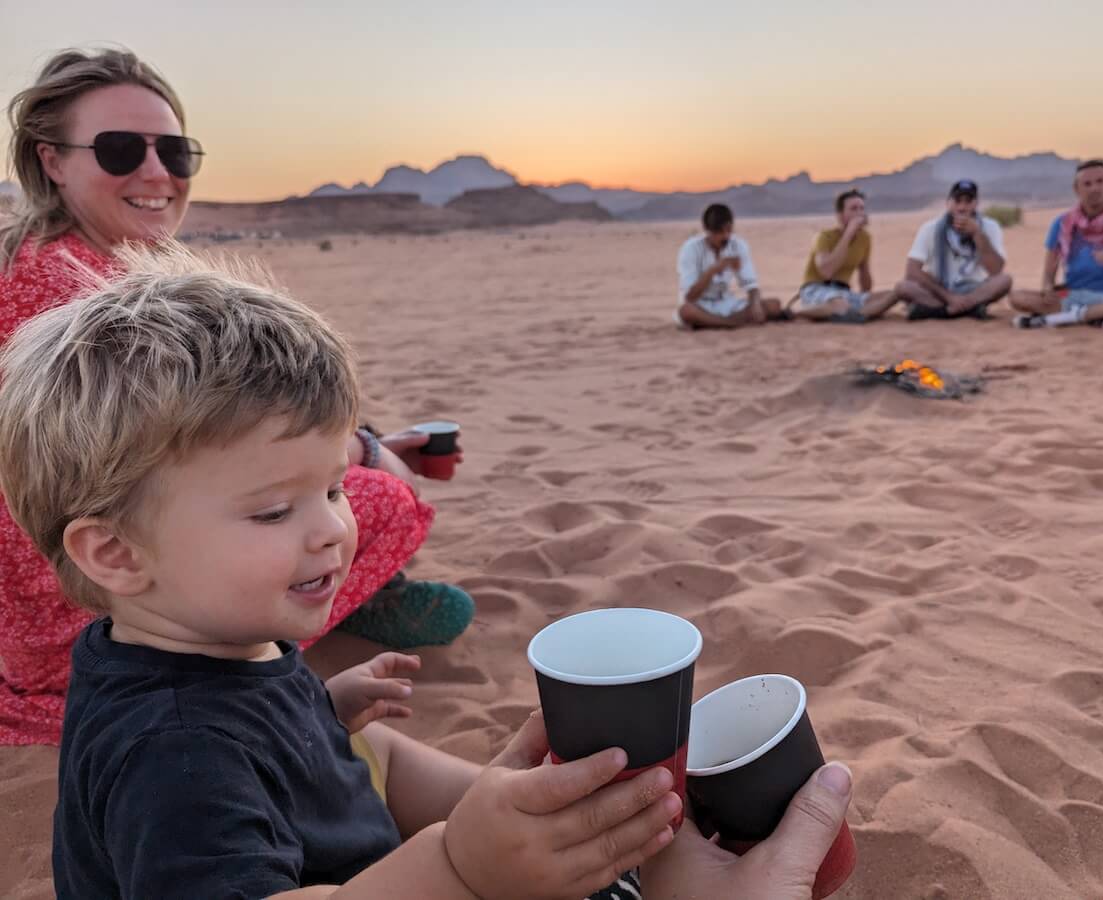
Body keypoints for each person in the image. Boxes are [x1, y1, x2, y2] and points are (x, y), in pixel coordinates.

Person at [0, 243, 853, 898]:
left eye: (334, 485)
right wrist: (460, 865)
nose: (334, 528)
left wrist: (497, 802)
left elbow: (389, 769)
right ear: (114, 553)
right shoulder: (171, 752)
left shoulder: (222, 643)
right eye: (272, 510)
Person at [0, 47, 469, 746]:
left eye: (176, 153)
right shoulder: (92, 303)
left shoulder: (36, 263)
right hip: (87, 600)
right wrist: (367, 455)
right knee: (381, 498)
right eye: (121, 149)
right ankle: (345, 605)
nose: (157, 173)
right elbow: (220, 452)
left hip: (49, 587)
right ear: (52, 161)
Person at [1010, 159, 1103, 328]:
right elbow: (1048, 274)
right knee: (1017, 297)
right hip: (1070, 292)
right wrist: (1048, 289)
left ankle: (1066, 318)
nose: (1094, 188)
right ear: (1077, 189)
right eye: (1087, 184)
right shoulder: (1062, 223)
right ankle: (1096, 316)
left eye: (1100, 182)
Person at [895, 179, 1012, 319]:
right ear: (948, 203)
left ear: (976, 204)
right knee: (903, 287)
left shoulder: (990, 227)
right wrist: (949, 297)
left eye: (968, 202)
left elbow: (996, 270)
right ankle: (969, 309)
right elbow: (912, 271)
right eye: (957, 201)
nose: (962, 207)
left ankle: (943, 311)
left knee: (1005, 281)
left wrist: (977, 234)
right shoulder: (930, 228)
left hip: (973, 289)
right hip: (939, 289)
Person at [788, 189, 900, 323]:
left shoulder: (865, 238)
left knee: (892, 295)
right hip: (818, 288)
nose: (859, 213)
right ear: (840, 215)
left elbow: (865, 281)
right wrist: (848, 234)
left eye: (862, 209)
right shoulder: (824, 237)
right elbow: (827, 271)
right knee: (840, 304)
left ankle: (853, 314)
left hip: (844, 291)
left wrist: (868, 297)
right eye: (854, 209)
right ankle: (795, 314)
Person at [675, 203, 787, 329]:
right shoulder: (690, 249)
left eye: (728, 230)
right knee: (686, 312)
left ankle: (716, 323)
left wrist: (755, 304)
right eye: (719, 232)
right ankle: (731, 323)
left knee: (774, 305)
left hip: (727, 303)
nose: (725, 236)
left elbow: (751, 284)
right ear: (707, 230)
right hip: (701, 304)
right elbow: (690, 296)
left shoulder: (737, 245)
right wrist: (713, 270)